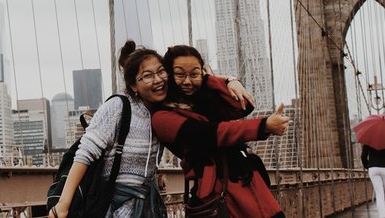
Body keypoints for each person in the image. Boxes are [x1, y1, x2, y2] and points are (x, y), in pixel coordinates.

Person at [49, 40, 252, 218]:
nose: (158, 80)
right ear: (134, 86)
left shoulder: (164, 109)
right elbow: (85, 154)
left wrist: (229, 80)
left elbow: (194, 75)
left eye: (161, 72)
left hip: (147, 205)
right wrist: (63, 204)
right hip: (115, 205)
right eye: (147, 76)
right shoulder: (119, 106)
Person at [152, 45, 289, 217]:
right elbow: (211, 134)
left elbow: (243, 106)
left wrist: (220, 80)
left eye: (194, 74)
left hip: (247, 182)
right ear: (168, 75)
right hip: (218, 192)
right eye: (180, 74)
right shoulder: (162, 117)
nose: (187, 81)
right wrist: (263, 126)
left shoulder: (204, 102)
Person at [361, 144, 385, 218]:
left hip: (373, 168)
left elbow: (363, 157)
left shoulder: (368, 141)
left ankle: (382, 216)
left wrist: (368, 166)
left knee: (379, 194)